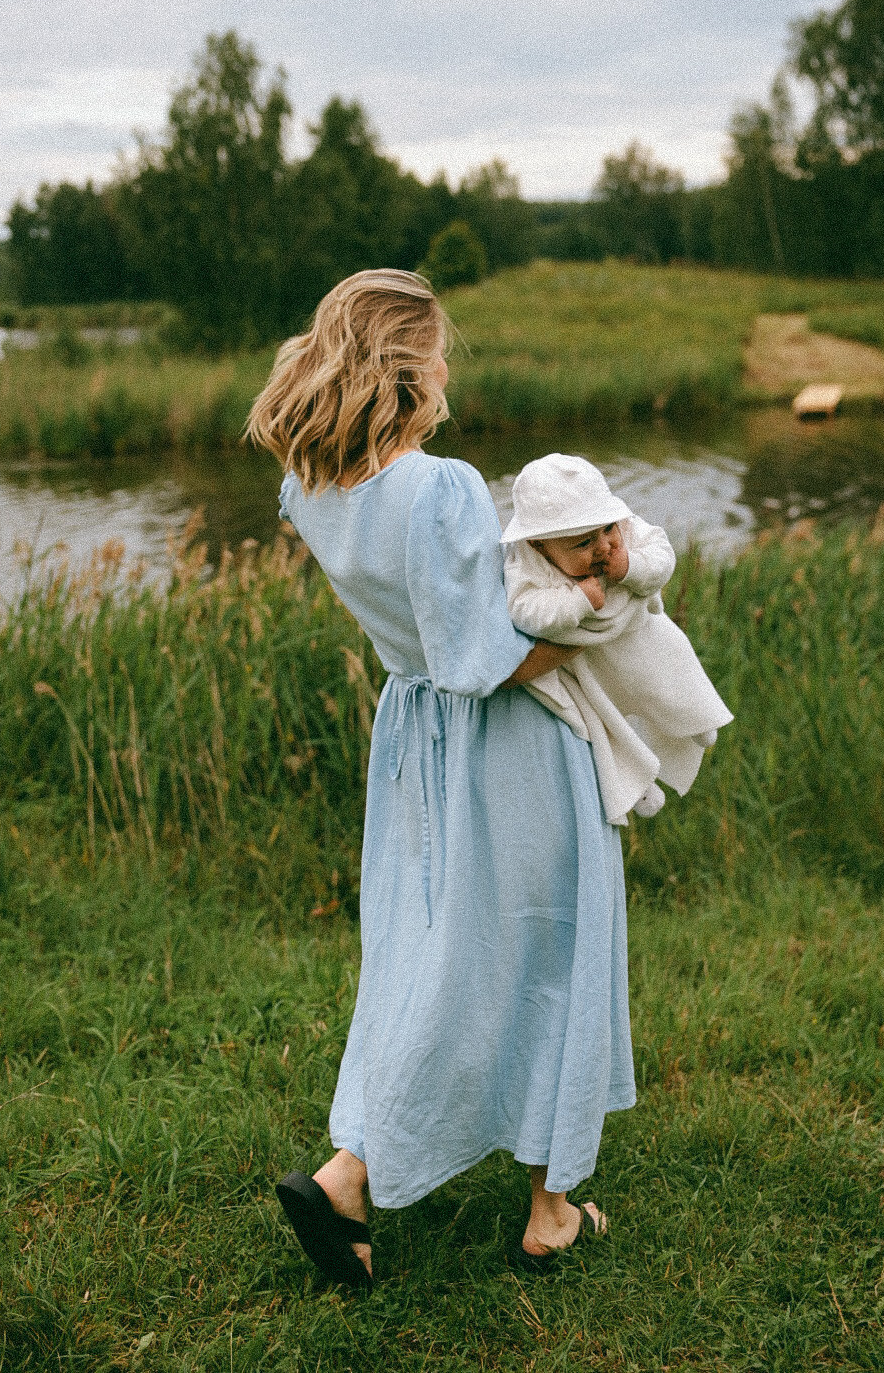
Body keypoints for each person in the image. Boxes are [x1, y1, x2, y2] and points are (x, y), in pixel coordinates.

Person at [246, 270, 635, 1289]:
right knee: (553, 944)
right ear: (412, 364)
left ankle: (352, 1175)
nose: (450, 365)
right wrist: (605, 603)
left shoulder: (310, 486)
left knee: (432, 956)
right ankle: (549, 1208)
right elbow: (497, 656)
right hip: (506, 744)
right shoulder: (441, 486)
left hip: (414, 737)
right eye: (441, 350)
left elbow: (433, 641)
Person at [501, 453, 734, 828]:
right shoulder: (524, 563)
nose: (605, 546)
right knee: (600, 721)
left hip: (638, 635)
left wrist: (632, 568)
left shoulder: (622, 527)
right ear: (540, 545)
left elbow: (662, 555)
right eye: (583, 543)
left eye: (608, 529)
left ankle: (694, 717)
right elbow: (525, 610)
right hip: (586, 665)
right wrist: (576, 602)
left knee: (669, 663)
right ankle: (636, 785)